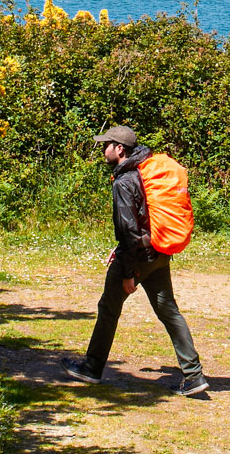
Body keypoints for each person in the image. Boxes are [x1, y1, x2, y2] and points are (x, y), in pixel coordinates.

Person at [61, 125, 207, 395]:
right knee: (168, 311)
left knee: (108, 308)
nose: (102, 150)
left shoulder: (124, 181)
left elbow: (129, 230)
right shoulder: (144, 170)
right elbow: (142, 221)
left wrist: (128, 272)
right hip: (159, 253)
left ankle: (91, 368)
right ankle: (194, 375)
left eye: (106, 145)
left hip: (138, 257)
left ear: (119, 149)